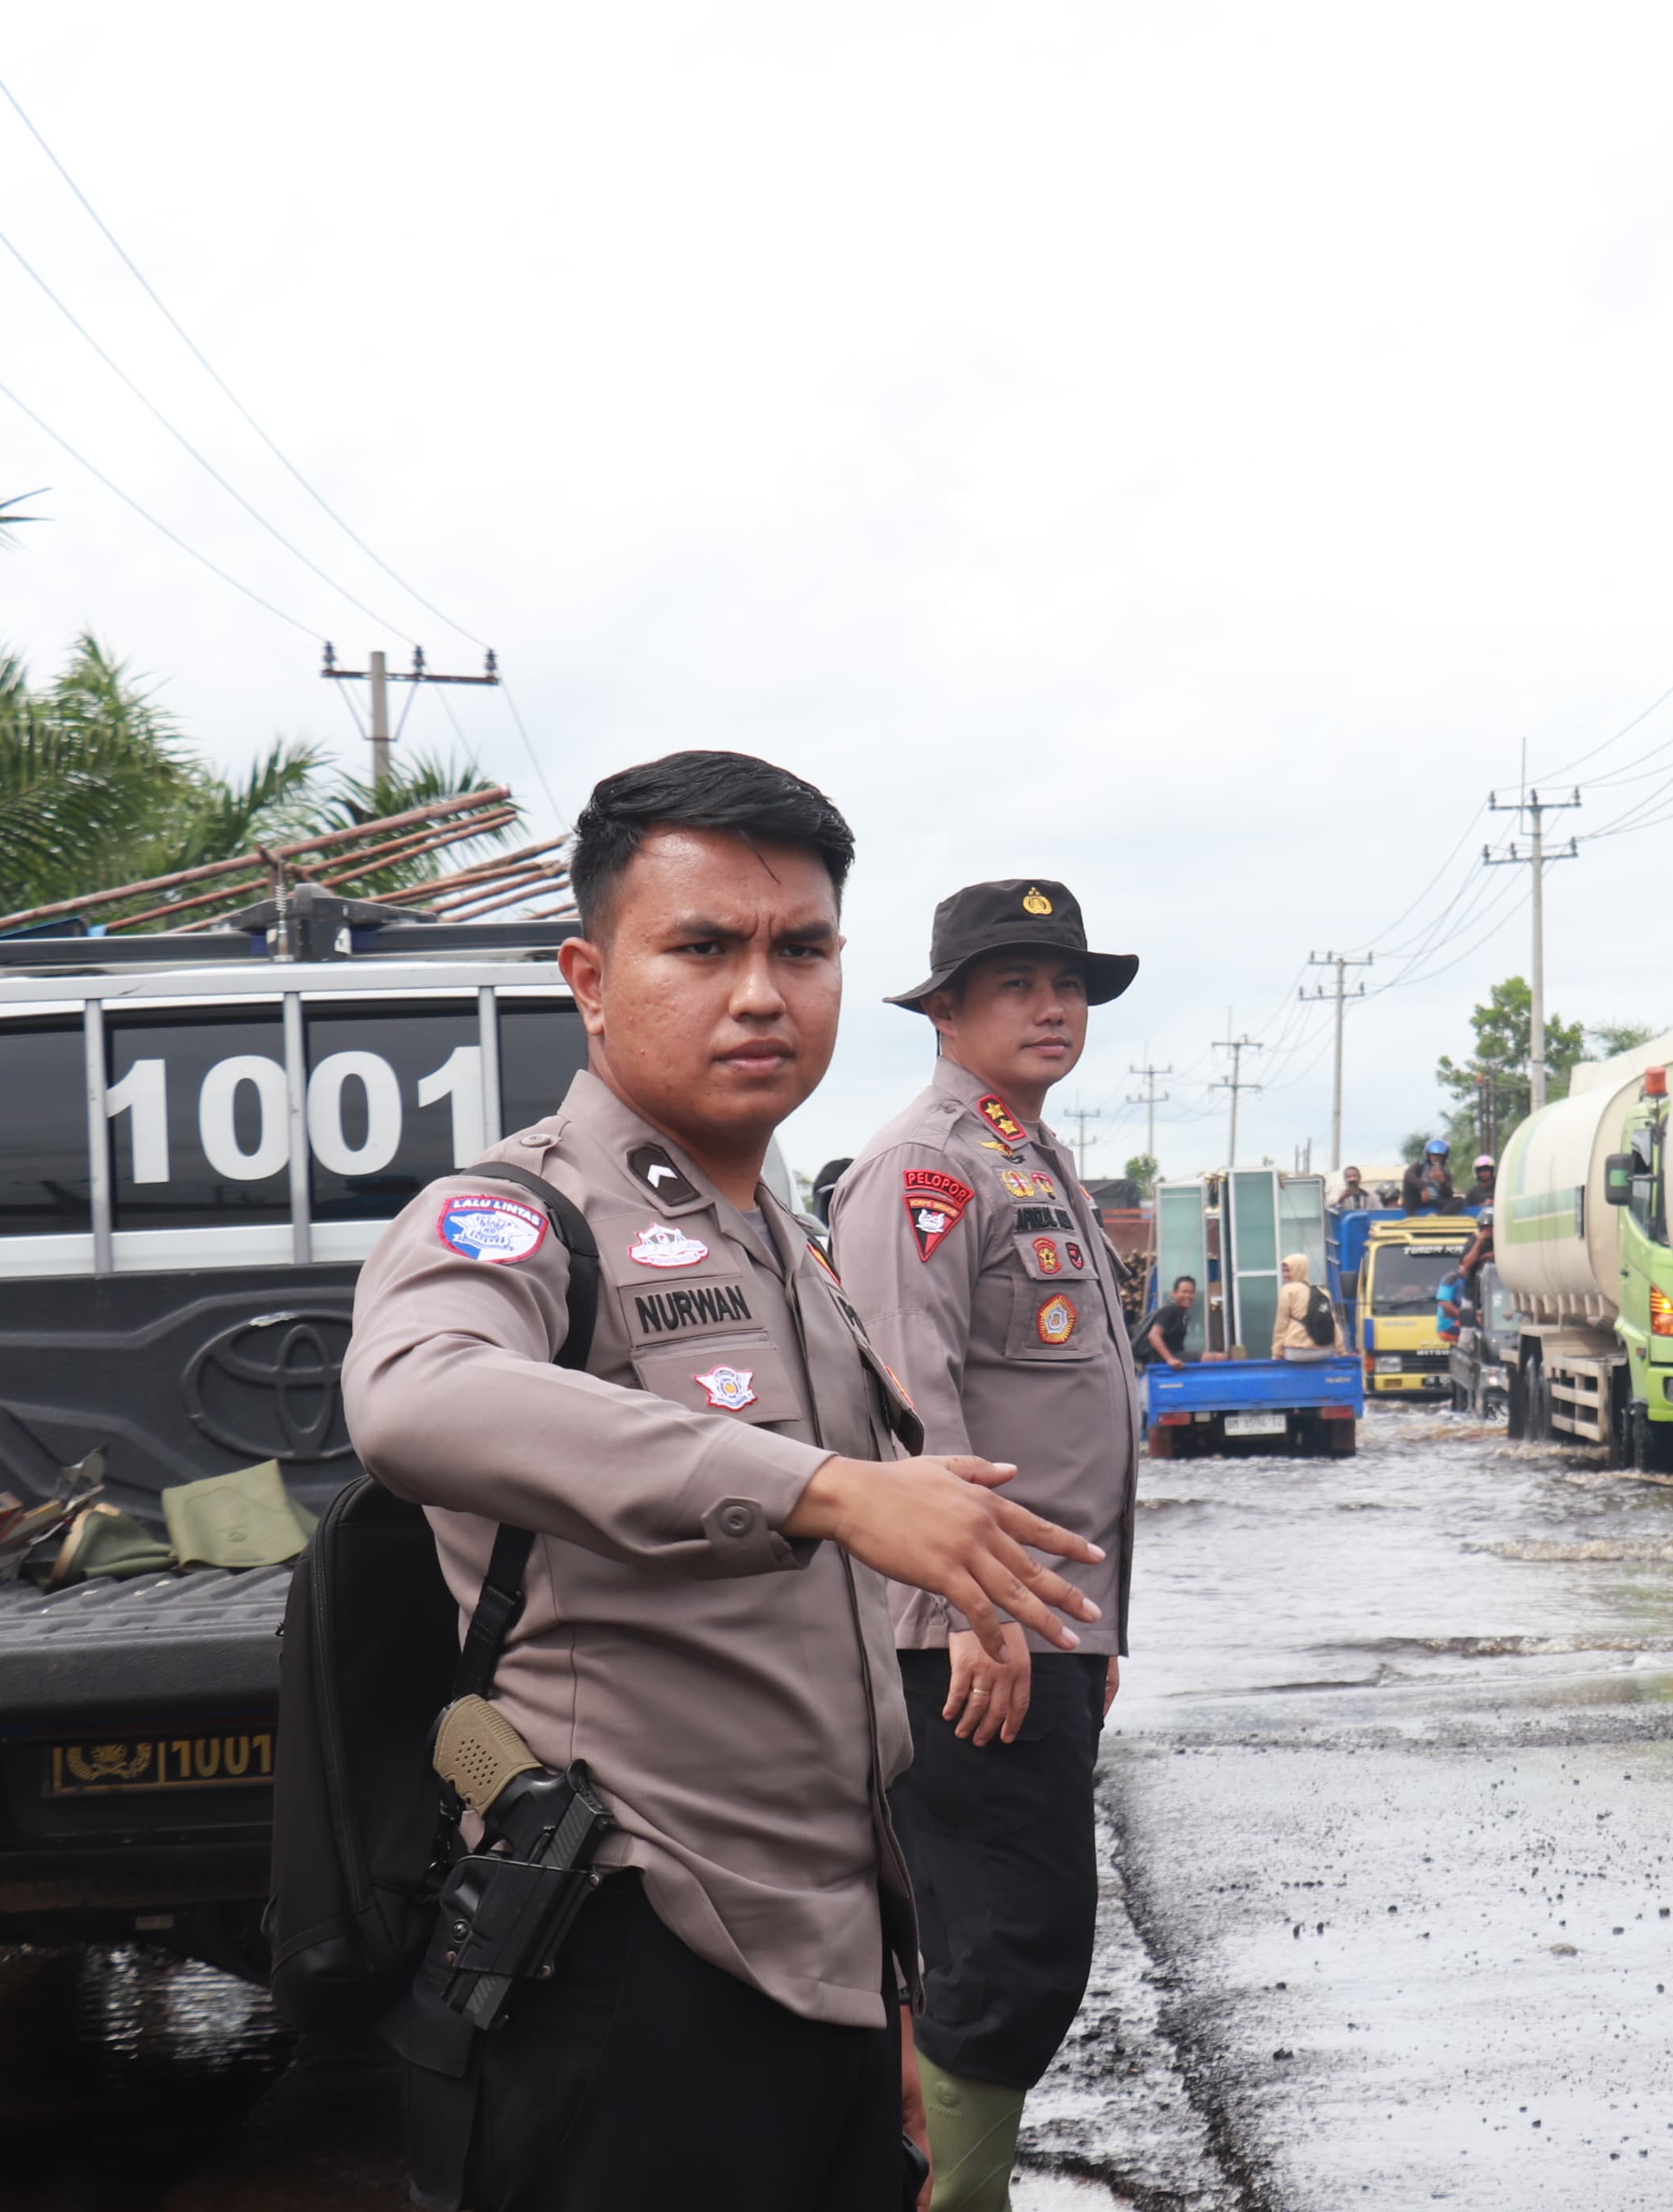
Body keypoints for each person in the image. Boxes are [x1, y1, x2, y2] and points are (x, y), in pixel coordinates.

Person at [343, 754, 1103, 2212]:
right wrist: (823, 1485)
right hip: (628, 1955)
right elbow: (416, 1395)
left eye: (801, 948)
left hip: (825, 1965)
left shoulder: (788, 1237)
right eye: (703, 947)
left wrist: (888, 2000)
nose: (762, 992)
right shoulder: (517, 1213)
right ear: (590, 973)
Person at [833, 877, 1145, 2212]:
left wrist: (1094, 1628)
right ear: (946, 1007)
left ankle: (932, 2163)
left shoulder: (1032, 1153)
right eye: (1018, 983)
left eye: (1068, 983)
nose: (1054, 1006)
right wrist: (979, 1613)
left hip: (1044, 1619)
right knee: (1015, 1940)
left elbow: (1073, 1420)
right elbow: (912, 1404)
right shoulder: (927, 1166)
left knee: (998, 1936)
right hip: (975, 1629)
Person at [1269, 1249, 1320, 1356]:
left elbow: (1281, 1324)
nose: (1285, 1275)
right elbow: (1333, 1322)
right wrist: (1341, 1351)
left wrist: (1276, 1353)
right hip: (1323, 1350)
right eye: (1284, 1271)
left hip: (1297, 1351)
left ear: (1298, 1270)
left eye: (1288, 1270)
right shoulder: (1321, 1291)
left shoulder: (1288, 1290)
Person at [1138, 1276, 1197, 1368]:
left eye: (1191, 1293)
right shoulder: (1170, 1311)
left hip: (1173, 1356)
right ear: (1175, 1294)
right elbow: (1153, 1335)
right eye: (1184, 1292)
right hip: (1162, 1360)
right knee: (1215, 1358)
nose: (1188, 1296)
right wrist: (1170, 1359)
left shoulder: (1182, 1315)